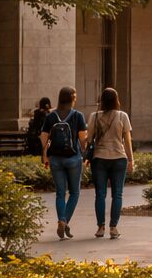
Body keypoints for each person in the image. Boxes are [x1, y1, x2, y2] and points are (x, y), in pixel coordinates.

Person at [40, 86, 87, 240]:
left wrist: (45, 155)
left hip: (55, 159)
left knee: (60, 193)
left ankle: (62, 220)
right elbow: (82, 138)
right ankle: (63, 221)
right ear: (72, 98)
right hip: (73, 158)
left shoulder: (51, 116)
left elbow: (44, 137)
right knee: (74, 192)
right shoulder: (78, 116)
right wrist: (84, 152)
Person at [87, 87, 134, 239]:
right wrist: (131, 160)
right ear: (116, 100)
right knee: (117, 194)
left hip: (99, 158)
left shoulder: (94, 117)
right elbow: (127, 141)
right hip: (119, 158)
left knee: (100, 194)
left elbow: (88, 140)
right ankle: (113, 228)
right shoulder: (122, 116)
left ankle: (100, 227)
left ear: (101, 101)